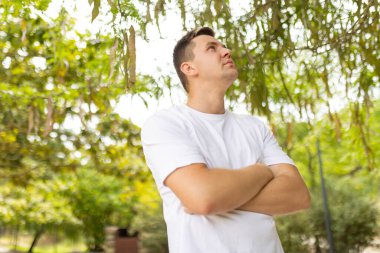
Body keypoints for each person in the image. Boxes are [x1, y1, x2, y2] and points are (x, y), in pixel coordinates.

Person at [141, 27, 311, 253]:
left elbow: (298, 196)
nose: (226, 51)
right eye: (212, 48)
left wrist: (221, 198)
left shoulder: (254, 127)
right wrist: (262, 172)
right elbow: (204, 197)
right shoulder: (165, 124)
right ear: (189, 68)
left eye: (223, 46)